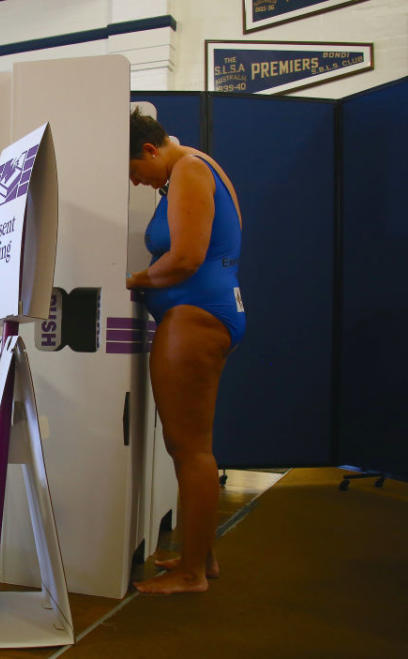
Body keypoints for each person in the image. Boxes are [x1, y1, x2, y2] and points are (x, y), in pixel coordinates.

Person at [125, 108, 246, 594]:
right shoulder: (189, 171)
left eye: (135, 170)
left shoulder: (190, 170)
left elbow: (186, 258)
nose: (135, 182)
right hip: (200, 314)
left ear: (151, 150)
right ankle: (200, 557)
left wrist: (133, 279)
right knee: (185, 445)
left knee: (192, 448)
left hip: (198, 314)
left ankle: (193, 574)